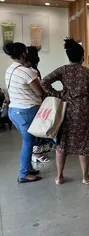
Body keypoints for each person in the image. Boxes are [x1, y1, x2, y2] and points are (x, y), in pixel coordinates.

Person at [41, 38, 89, 185]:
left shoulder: (63, 70)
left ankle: (59, 177)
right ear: (82, 57)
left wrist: (59, 94)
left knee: (62, 143)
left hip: (65, 111)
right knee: (84, 145)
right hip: (84, 112)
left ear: (69, 57)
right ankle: (85, 177)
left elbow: (44, 82)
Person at [4, 42, 45, 183]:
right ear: (24, 54)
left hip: (13, 111)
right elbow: (40, 92)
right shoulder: (26, 72)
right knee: (28, 143)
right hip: (26, 111)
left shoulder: (10, 69)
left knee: (28, 141)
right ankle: (23, 174)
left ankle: (28, 168)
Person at [26, 46, 51, 163]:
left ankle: (34, 152)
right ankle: (36, 153)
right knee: (38, 128)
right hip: (34, 102)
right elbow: (39, 89)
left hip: (27, 104)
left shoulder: (24, 68)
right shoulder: (33, 69)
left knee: (32, 130)